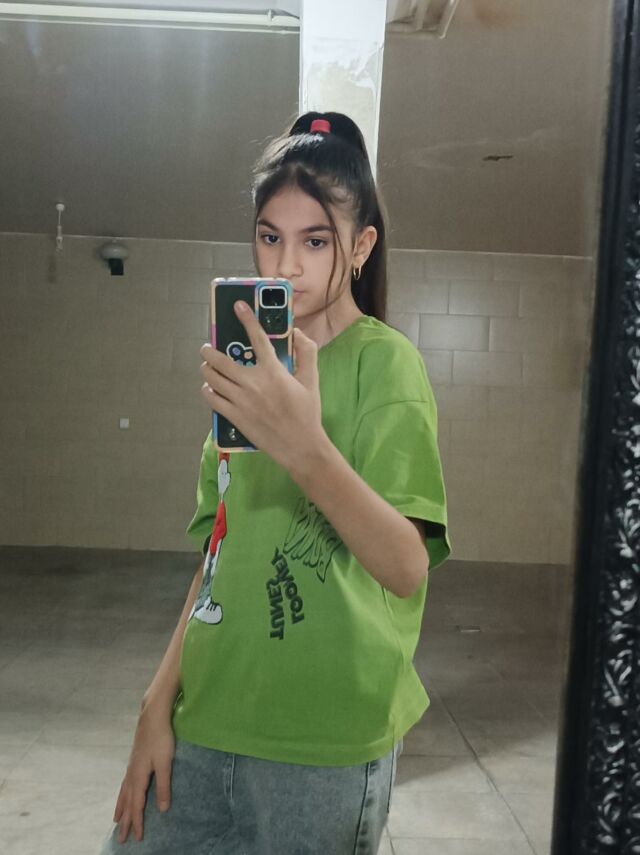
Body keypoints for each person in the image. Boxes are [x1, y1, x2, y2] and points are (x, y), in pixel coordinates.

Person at [99, 111, 451, 855]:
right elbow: (218, 551)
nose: (285, 264)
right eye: (269, 236)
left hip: (323, 745)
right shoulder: (246, 374)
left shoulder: (387, 366)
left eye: (315, 240)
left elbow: (406, 566)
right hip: (205, 719)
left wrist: (305, 447)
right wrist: (157, 701)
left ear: (360, 247)